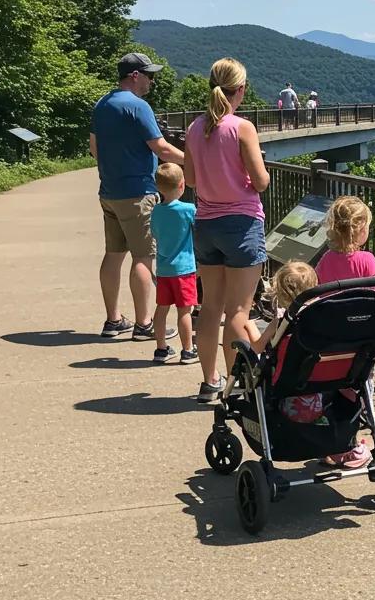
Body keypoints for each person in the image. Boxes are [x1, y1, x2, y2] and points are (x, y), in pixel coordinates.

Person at [184, 58, 270, 403]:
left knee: (211, 308)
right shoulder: (242, 128)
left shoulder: (194, 128)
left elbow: (189, 179)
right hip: (242, 224)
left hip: (205, 224)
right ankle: (239, 389)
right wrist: (248, 176)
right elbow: (261, 181)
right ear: (242, 90)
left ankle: (210, 382)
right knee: (238, 311)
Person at [90, 52, 184, 340]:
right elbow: (162, 148)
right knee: (144, 257)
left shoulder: (102, 104)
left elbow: (94, 148)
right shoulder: (138, 107)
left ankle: (113, 320)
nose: (151, 81)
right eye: (149, 75)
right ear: (135, 75)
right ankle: (144, 324)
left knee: (114, 254)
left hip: (109, 191)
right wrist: (194, 163)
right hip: (138, 193)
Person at [314, 195, 375, 468]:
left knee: (331, 391)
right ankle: (351, 445)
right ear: (360, 230)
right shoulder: (366, 261)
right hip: (360, 344)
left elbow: (317, 294)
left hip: (331, 345)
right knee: (360, 391)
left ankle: (330, 443)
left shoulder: (326, 260)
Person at [150, 162, 200, 365]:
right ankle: (188, 350)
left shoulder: (156, 211)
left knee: (161, 308)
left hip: (163, 269)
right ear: (182, 185)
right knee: (184, 310)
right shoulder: (188, 209)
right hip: (184, 269)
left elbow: (154, 233)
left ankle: (161, 349)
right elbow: (199, 228)